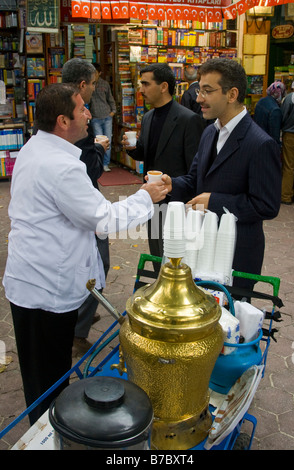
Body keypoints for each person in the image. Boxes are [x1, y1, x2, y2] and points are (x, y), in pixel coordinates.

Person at [2, 83, 168, 425]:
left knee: (43, 373)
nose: (89, 114)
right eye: (82, 109)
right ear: (63, 121)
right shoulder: (60, 166)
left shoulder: (38, 148)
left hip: (33, 280)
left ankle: (48, 427)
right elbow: (102, 219)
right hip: (44, 288)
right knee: (49, 380)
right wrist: (145, 197)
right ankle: (50, 433)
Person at [162, 58, 281, 294]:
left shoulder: (260, 144)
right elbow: (196, 180)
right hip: (201, 250)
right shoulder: (210, 132)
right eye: (199, 90)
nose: (198, 99)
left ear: (232, 94)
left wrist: (214, 202)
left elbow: (266, 206)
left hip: (235, 256)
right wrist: (170, 184)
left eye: (207, 91)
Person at [122, 63, 205, 263]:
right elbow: (147, 152)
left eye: (145, 84)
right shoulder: (149, 116)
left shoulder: (189, 119)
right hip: (153, 201)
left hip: (178, 204)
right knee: (157, 256)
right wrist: (133, 148)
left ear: (163, 86)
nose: (141, 90)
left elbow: (195, 169)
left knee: (177, 261)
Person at [61, 58, 110, 353]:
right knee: (98, 263)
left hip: (69, 200)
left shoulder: (57, 106)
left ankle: (83, 313)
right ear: (82, 85)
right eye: (92, 83)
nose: (94, 88)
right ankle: (77, 331)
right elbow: (88, 168)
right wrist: (99, 148)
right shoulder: (79, 115)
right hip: (82, 201)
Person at [89, 62, 117, 172]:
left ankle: (106, 163)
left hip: (107, 116)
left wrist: (113, 112)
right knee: (98, 141)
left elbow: (110, 98)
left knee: (108, 140)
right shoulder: (89, 84)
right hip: (95, 118)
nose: (94, 75)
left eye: (95, 73)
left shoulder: (105, 84)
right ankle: (99, 163)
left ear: (99, 73)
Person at [281, 86, 294, 204]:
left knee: (289, 166)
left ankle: (286, 196)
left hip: (291, 134)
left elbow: (283, 116)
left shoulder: (290, 98)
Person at [254, 81, 285, 147]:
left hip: (256, 140)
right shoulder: (275, 110)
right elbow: (274, 135)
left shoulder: (261, 101)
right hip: (267, 145)